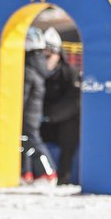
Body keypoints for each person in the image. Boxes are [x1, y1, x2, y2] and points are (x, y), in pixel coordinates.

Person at [39, 27, 81, 185]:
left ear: (57, 55)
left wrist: (50, 115)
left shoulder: (69, 74)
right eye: (40, 56)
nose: (44, 60)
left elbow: (74, 101)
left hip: (61, 121)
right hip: (41, 120)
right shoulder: (33, 72)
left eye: (48, 56)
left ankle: (64, 176)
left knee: (70, 131)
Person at [22, 26, 57, 185]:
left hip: (28, 114)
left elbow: (22, 94)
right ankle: (26, 173)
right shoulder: (37, 64)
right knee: (25, 142)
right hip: (32, 113)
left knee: (33, 142)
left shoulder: (28, 68)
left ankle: (48, 173)